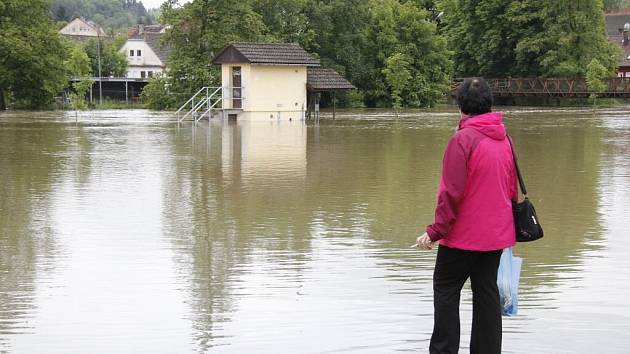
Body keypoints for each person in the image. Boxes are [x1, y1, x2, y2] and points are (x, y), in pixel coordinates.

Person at [416, 77, 517, 354]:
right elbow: (511, 191)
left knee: (446, 290)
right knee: (486, 294)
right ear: (489, 105)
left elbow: (451, 194)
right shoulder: (505, 139)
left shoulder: (462, 140)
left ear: (460, 107)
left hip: (462, 238)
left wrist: (434, 231)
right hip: (496, 237)